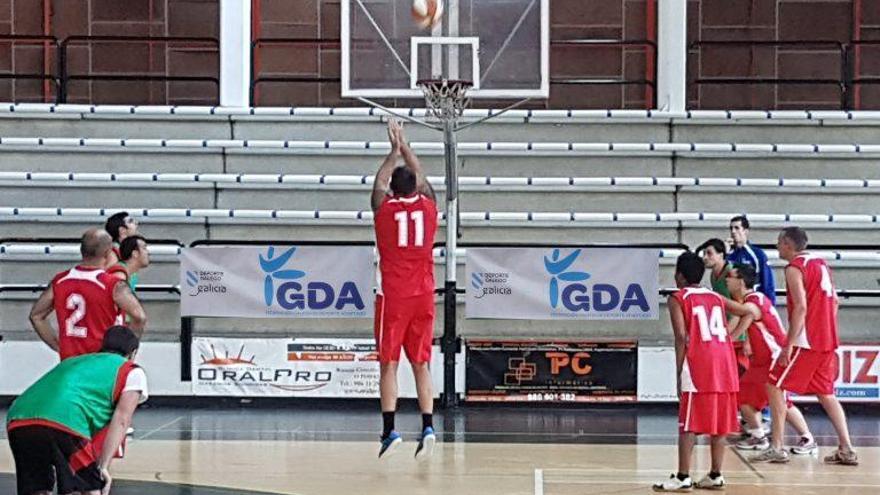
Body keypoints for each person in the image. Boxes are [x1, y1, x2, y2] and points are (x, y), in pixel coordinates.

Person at [753, 227, 857, 465]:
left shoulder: (794, 268)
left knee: (774, 384)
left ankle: (777, 446)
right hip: (827, 340)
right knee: (826, 394)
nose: (777, 247)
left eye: (779, 243)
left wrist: (788, 345)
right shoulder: (821, 263)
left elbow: (800, 307)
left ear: (788, 244)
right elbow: (835, 302)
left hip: (807, 341)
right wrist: (825, 327)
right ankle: (847, 448)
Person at [6, 326, 148, 495]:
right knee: (91, 488)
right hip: (65, 420)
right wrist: (102, 467)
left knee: (37, 488)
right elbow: (122, 420)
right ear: (133, 353)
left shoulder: (75, 361)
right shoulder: (131, 371)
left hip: (19, 419)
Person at [371, 119, 438, 459]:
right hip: (424, 294)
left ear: (394, 191)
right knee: (421, 363)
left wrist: (392, 151)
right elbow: (423, 179)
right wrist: (407, 147)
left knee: (389, 365)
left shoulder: (383, 210)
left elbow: (380, 181)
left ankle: (389, 430)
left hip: (393, 296)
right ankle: (428, 425)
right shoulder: (428, 207)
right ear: (415, 188)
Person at [653, 252, 739, 492]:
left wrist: (679, 370)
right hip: (725, 361)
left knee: (688, 423)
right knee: (719, 423)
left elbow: (681, 336)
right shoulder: (716, 296)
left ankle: (682, 477)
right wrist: (728, 337)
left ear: (679, 275)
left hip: (700, 361)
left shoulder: (678, 297)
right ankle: (715, 474)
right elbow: (748, 311)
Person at [725, 264, 816, 453]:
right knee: (742, 395)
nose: (727, 279)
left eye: (730, 276)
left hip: (775, 358)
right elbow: (742, 321)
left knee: (781, 402)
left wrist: (715, 300)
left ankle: (807, 439)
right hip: (761, 361)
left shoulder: (753, 302)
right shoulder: (751, 301)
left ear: (741, 281)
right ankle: (759, 436)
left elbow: (744, 317)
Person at [29, 228, 146, 360]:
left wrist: (58, 346)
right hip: (102, 362)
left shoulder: (60, 280)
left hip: (70, 363)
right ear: (108, 253)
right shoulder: (112, 284)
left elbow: (36, 316)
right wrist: (128, 351)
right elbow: (139, 317)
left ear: (82, 251)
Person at [698, 238, 750, 374]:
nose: (705, 257)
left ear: (721, 255)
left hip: (737, 333)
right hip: (727, 328)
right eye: (704, 253)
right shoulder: (713, 275)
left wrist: (727, 337)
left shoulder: (732, 274)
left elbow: (742, 308)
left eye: (709, 253)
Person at [727, 215, 775, 303]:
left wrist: (769, 304)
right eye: (731, 228)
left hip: (752, 302)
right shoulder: (728, 254)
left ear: (745, 231)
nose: (733, 231)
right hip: (733, 303)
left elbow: (767, 282)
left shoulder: (757, 254)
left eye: (737, 228)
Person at [104, 212, 140, 289]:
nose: (136, 223)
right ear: (122, 230)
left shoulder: (125, 252)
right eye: (131, 221)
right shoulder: (112, 255)